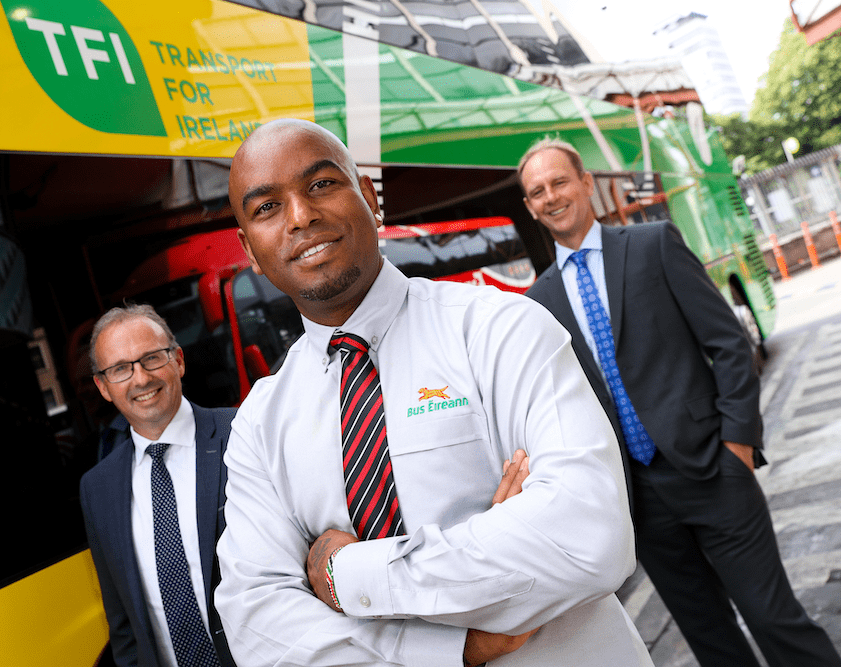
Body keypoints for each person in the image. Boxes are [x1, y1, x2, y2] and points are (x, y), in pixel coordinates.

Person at [214, 118, 653, 667]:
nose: (301, 216)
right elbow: (259, 629)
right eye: (266, 208)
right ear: (250, 249)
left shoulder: (500, 328)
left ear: (370, 198)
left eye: (321, 184)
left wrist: (346, 576)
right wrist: (456, 643)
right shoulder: (259, 425)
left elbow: (591, 538)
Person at [521, 138, 841, 667]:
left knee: (773, 619)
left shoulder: (653, 245)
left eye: (559, 182)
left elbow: (729, 344)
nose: (551, 196)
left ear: (586, 183)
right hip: (640, 504)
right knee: (712, 644)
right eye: (538, 192)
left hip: (714, 468)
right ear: (530, 207)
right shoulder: (538, 302)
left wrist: (738, 443)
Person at [80, 304, 237, 667]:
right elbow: (123, 625)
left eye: (151, 358)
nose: (140, 379)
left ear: (178, 361)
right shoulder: (97, 489)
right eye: (120, 369)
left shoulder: (241, 432)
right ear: (103, 387)